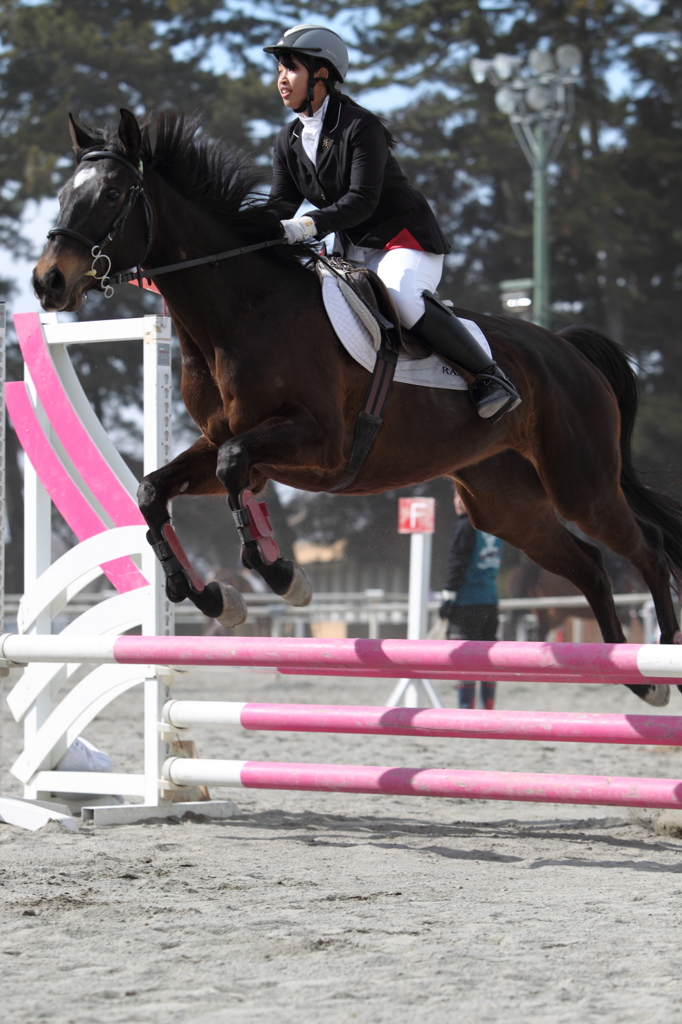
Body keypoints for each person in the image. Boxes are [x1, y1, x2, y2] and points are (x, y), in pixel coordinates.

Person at [264, 24, 521, 423]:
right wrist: (241, 227)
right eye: (279, 69)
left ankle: (490, 376)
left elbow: (362, 200)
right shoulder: (287, 140)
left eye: (291, 68)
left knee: (402, 297)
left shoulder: (359, 126)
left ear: (322, 74)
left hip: (402, 242)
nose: (281, 79)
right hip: (352, 253)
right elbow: (280, 203)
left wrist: (308, 225)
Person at [439, 488, 502, 709]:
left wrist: (448, 596)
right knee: (488, 656)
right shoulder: (493, 527)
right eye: (455, 497)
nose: (457, 502)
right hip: (490, 600)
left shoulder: (465, 526)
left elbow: (457, 562)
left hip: (467, 601)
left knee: (464, 658)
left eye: (462, 497)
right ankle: (489, 707)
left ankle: (467, 710)